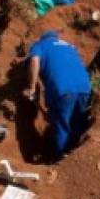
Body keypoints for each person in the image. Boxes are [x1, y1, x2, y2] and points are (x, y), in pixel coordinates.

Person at [23, 30, 92, 160]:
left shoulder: (40, 45)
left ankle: (59, 159)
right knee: (76, 123)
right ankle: (73, 155)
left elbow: (34, 59)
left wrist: (32, 87)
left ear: (43, 38)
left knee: (61, 124)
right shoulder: (68, 46)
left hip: (63, 88)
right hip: (84, 86)